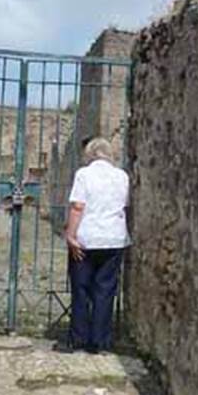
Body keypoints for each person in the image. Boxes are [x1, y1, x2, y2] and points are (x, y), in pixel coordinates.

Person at [60, 137, 130, 353]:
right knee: (105, 291)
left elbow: (78, 206)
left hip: (86, 239)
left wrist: (70, 235)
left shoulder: (84, 174)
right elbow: (124, 205)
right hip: (113, 239)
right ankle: (101, 341)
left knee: (81, 289)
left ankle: (78, 338)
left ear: (89, 154)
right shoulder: (122, 176)